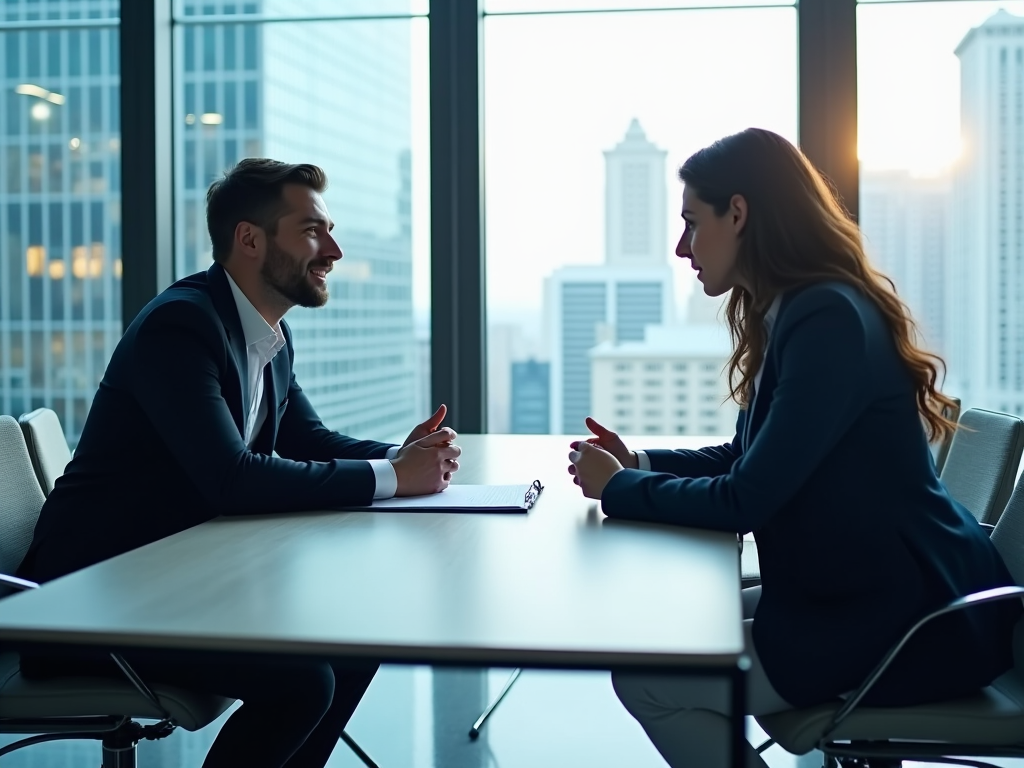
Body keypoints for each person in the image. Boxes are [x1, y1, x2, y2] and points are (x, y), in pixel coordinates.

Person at [567, 128, 1021, 768]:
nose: (681, 247)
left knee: (647, 678)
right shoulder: (800, 308)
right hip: (865, 593)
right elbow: (743, 457)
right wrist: (637, 463)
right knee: (666, 633)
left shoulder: (826, 318)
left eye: (692, 224)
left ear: (740, 213)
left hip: (909, 622)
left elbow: (746, 499)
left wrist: (617, 488)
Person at [17, 158, 461, 768]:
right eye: (311, 230)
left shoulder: (264, 333)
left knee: (357, 638)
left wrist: (400, 457)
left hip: (174, 580)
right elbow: (232, 479)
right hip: (88, 604)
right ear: (249, 239)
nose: (333, 248)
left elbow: (309, 439)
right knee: (302, 682)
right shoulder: (182, 325)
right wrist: (393, 477)